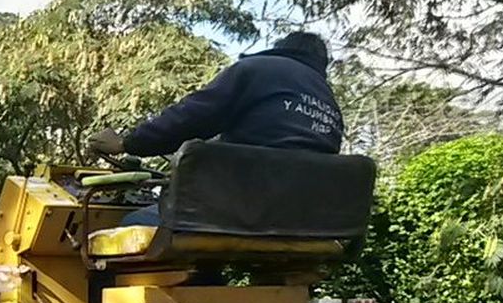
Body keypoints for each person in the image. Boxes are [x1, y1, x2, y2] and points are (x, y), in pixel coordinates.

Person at [87, 31, 345, 225]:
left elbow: (192, 116)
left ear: (281, 49)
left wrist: (127, 143)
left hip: (241, 207)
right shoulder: (328, 101)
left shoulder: (258, 69)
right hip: (301, 220)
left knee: (131, 226)